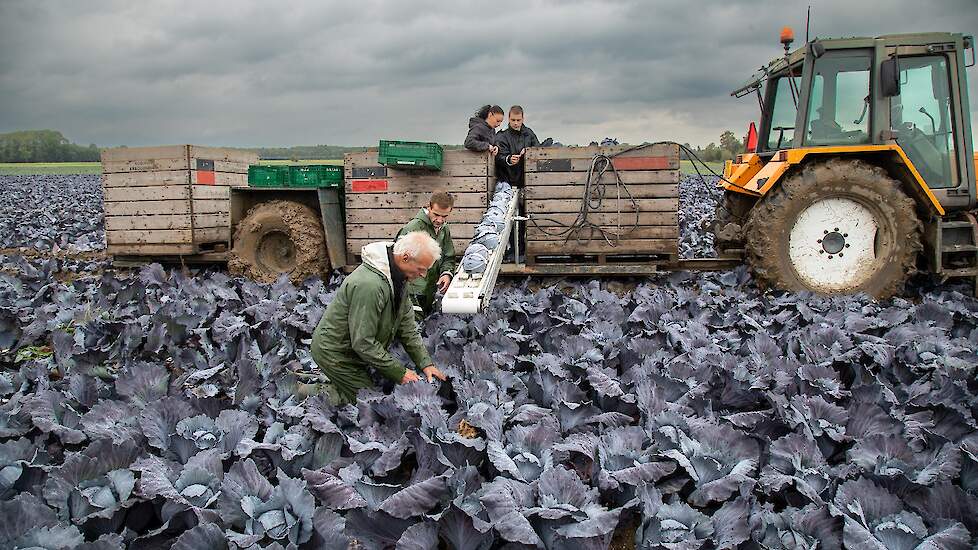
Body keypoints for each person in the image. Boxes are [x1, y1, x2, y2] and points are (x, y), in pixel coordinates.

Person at [309, 231, 447, 404]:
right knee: (369, 402)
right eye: (421, 269)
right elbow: (363, 342)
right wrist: (400, 372)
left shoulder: (398, 277)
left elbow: (407, 327)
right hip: (336, 354)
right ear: (405, 258)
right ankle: (306, 392)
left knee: (366, 391)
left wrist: (426, 364)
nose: (423, 275)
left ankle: (337, 385)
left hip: (354, 351)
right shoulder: (370, 286)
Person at [396, 192, 456, 324]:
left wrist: (446, 274)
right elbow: (398, 263)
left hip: (431, 290)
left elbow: (448, 256)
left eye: (444, 216)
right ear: (429, 207)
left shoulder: (444, 229)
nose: (440, 220)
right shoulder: (413, 228)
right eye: (436, 214)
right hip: (413, 291)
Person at [495, 105, 540, 187]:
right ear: (508, 119)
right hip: (507, 181)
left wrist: (528, 151)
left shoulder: (529, 133)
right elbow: (497, 157)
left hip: (528, 181)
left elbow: (538, 150)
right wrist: (508, 159)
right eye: (513, 120)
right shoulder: (501, 135)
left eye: (518, 120)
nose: (516, 123)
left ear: (523, 119)